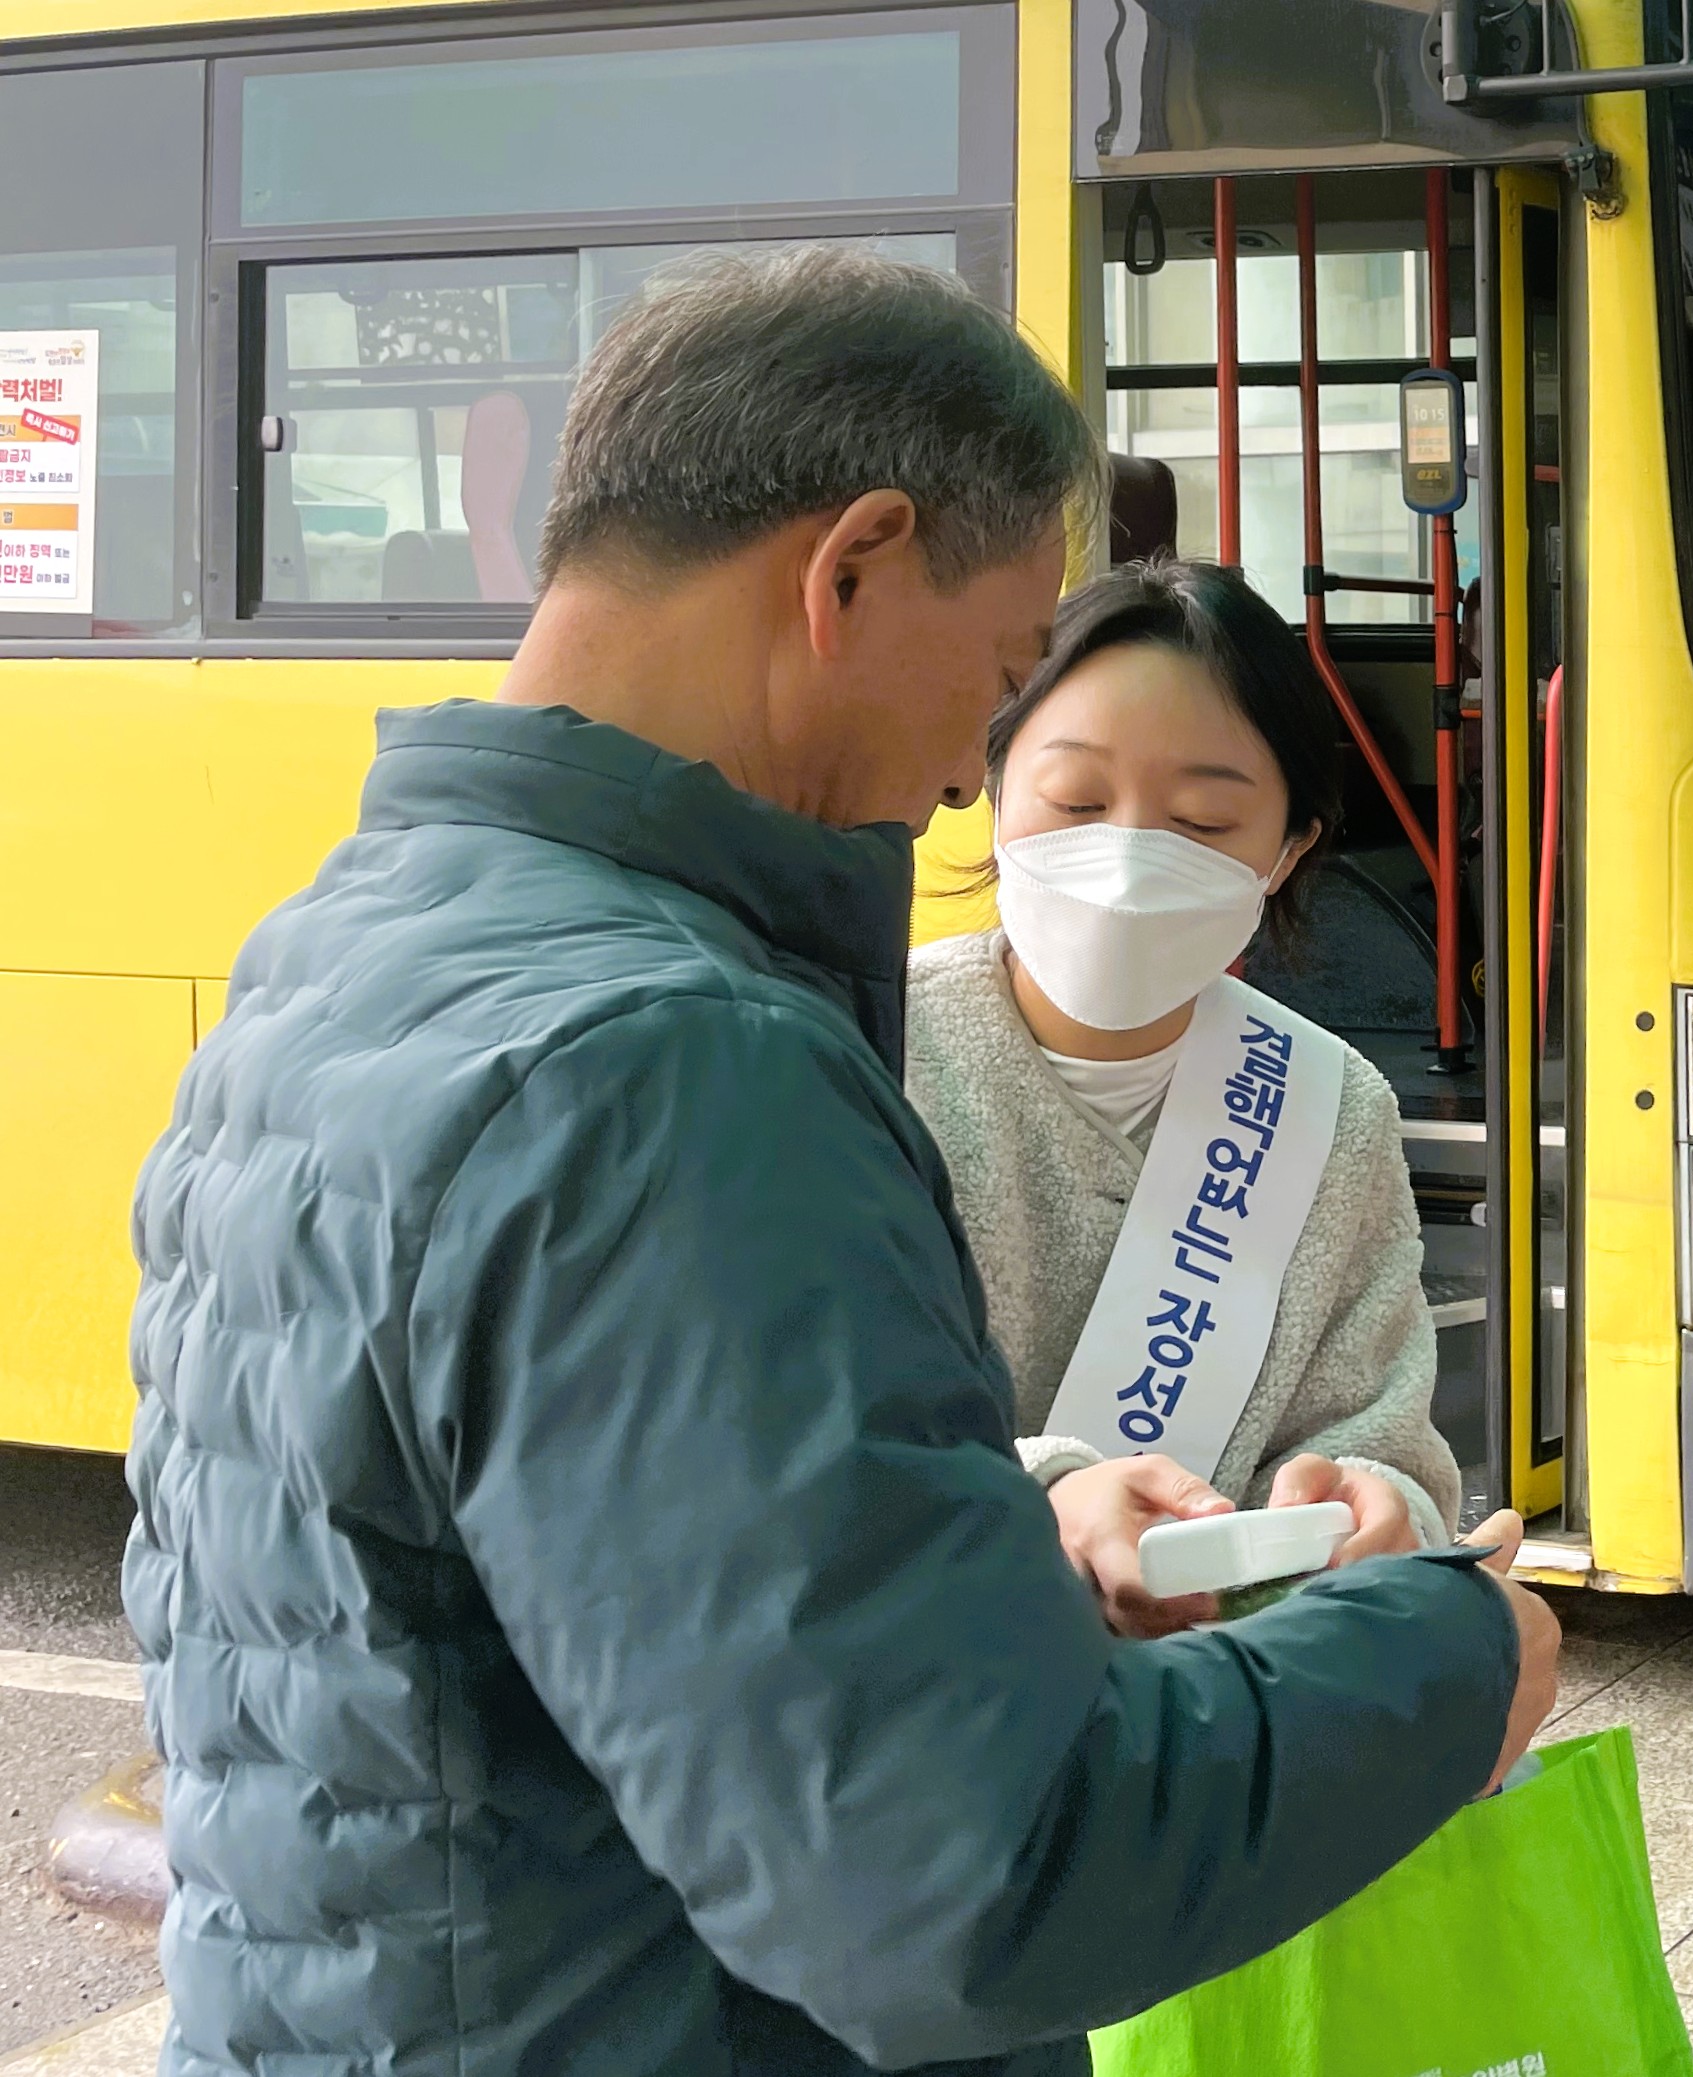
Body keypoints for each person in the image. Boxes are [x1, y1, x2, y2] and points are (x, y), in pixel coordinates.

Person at [122, 249, 1560, 2077]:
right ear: (851, 568)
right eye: (999, 672)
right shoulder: (675, 1064)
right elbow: (966, 1879)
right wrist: (1447, 1657)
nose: (969, 771)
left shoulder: (336, 948)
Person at [906, 560, 1461, 1636]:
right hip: (940, 1702)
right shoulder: (871, 1054)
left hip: (1221, 1721)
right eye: (1074, 801)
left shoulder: (1331, 1108)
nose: (1126, 860)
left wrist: (1384, 1508)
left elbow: (1387, 1452)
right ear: (992, 782)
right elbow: (812, 1442)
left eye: (1204, 823)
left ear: (1287, 848)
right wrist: (1052, 1495)